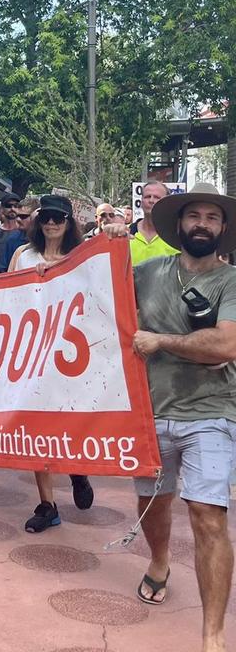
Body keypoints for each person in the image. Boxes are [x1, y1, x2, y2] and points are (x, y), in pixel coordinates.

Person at [114, 183, 236, 652]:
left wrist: (160, 340)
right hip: (148, 412)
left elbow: (225, 345)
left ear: (223, 229)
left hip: (212, 412)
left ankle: (213, 636)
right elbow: (92, 295)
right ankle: (159, 560)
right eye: (194, 216)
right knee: (153, 503)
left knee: (208, 516)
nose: (202, 224)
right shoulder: (147, 273)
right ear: (179, 225)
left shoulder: (231, 282)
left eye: (212, 217)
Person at [3, 196, 95, 532]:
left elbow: (95, 296)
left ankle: (76, 469)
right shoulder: (23, 255)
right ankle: (47, 504)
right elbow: (7, 295)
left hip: (70, 355)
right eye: (46, 218)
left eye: (58, 218)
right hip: (30, 353)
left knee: (67, 421)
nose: (52, 224)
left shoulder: (81, 258)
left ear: (70, 222)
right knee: (34, 425)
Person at [131, 181, 180, 265]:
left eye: (157, 197)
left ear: (166, 203)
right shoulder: (126, 233)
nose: (151, 200)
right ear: (141, 201)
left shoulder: (177, 236)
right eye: (147, 196)